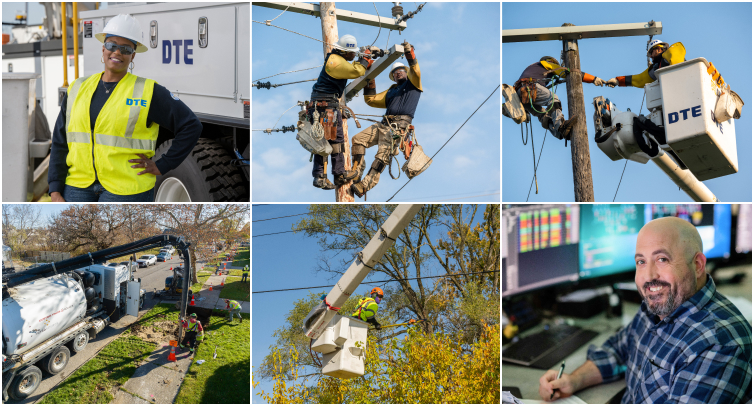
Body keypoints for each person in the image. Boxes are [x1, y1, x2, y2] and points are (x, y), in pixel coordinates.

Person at [538, 217, 752, 403]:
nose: (649, 276)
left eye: (662, 259)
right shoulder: (657, 306)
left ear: (697, 265)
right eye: (641, 261)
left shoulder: (720, 344)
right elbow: (619, 350)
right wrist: (572, 380)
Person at [48, 14, 202, 202]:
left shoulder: (148, 91)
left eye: (126, 48)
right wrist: (55, 189)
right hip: (77, 186)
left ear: (133, 55)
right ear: (103, 48)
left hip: (126, 188)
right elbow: (60, 140)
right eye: (112, 45)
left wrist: (163, 165)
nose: (117, 52)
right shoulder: (77, 88)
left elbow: (191, 125)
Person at [349, 41, 423, 197]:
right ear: (393, 77)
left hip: (397, 128)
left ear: (406, 72)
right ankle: (355, 172)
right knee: (358, 139)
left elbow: (416, 71)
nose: (398, 73)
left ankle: (364, 186)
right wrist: (370, 75)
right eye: (395, 72)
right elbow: (371, 99)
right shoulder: (391, 90)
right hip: (383, 125)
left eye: (401, 70)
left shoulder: (413, 85)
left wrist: (409, 53)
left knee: (382, 156)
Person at [308, 34, 372, 190]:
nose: (354, 55)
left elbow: (352, 67)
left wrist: (363, 58)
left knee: (332, 141)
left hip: (325, 106)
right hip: (325, 107)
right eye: (353, 52)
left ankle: (337, 174)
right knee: (327, 142)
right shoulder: (336, 62)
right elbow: (357, 71)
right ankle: (323, 177)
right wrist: (365, 59)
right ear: (344, 51)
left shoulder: (337, 59)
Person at [515, 56, 606, 141]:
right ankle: (561, 127)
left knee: (543, 115)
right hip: (528, 87)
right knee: (553, 98)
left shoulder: (534, 69)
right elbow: (568, 72)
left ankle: (559, 133)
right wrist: (593, 79)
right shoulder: (545, 64)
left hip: (521, 96)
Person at [606, 39, 686, 88]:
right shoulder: (656, 68)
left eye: (651, 52)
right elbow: (640, 79)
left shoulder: (672, 51)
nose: (651, 56)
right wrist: (618, 81)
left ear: (658, 49)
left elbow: (676, 61)